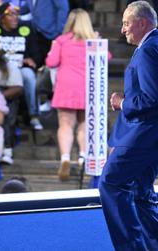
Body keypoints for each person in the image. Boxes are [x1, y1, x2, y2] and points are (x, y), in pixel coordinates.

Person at [99, 2, 158, 250]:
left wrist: (122, 103)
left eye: (127, 23)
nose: (122, 30)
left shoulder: (150, 48)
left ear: (142, 22)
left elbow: (152, 98)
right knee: (140, 191)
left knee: (111, 182)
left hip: (149, 132)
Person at [46, 8, 100, 181]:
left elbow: (51, 62)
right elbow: (105, 57)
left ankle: (65, 159)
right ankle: (83, 156)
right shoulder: (93, 41)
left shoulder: (61, 41)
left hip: (66, 86)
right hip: (87, 87)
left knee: (65, 124)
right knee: (84, 124)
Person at [0, 3, 43, 130]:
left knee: (29, 75)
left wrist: (31, 60)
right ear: (2, 18)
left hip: (21, 69)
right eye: (10, 15)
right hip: (2, 69)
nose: (15, 17)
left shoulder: (26, 30)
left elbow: (37, 54)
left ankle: (34, 115)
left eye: (16, 14)